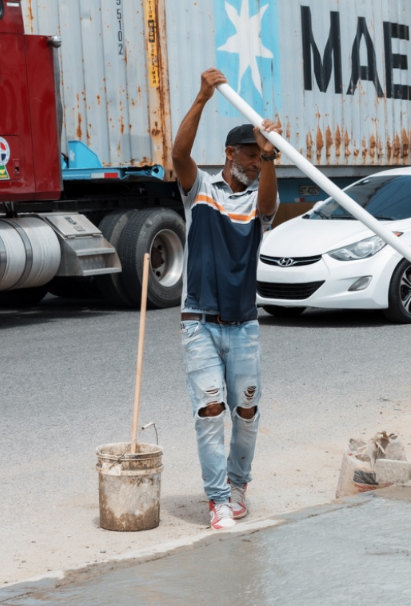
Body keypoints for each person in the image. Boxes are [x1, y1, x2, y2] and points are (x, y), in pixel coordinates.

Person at [172, 68, 282, 530]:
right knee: (211, 411)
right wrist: (200, 97)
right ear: (230, 153)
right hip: (199, 320)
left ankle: (239, 485)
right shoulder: (200, 191)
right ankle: (217, 500)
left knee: (248, 411)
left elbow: (270, 207)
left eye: (260, 158)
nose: (255, 164)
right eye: (251, 155)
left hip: (244, 324)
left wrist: (275, 157)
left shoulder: (259, 199)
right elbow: (178, 154)